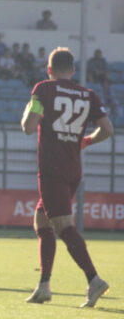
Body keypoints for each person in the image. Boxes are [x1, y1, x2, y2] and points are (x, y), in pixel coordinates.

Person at [21, 47, 113, 308]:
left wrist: (29, 107)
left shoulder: (43, 89)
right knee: (42, 221)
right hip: (73, 168)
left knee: (63, 226)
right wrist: (85, 141)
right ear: (72, 70)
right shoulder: (88, 94)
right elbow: (107, 129)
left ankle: (94, 279)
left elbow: (28, 127)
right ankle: (44, 285)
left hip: (52, 169)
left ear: (49, 69)